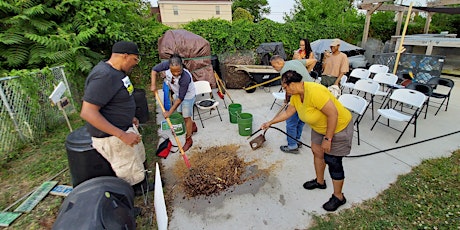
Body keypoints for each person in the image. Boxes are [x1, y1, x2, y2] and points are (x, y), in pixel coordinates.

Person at [260, 70, 353, 212]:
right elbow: (288, 113)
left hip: (338, 127)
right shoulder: (296, 96)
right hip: (319, 127)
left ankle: (339, 196)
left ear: (293, 84)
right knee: (317, 152)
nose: (285, 90)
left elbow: (333, 114)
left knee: (333, 161)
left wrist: (328, 138)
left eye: (285, 87)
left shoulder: (315, 91)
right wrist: (270, 122)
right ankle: (320, 182)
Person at [80, 41, 152, 195]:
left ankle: (141, 188)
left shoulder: (117, 72)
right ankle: (126, 205)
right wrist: (122, 135)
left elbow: (116, 99)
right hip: (114, 136)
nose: (136, 63)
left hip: (125, 127)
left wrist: (129, 116)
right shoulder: (104, 76)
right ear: (125, 56)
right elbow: (88, 112)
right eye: (135, 59)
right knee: (126, 173)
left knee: (136, 164)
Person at [151, 54, 197, 151]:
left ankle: (189, 140)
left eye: (178, 71)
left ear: (181, 66)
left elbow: (180, 98)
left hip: (187, 96)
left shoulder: (185, 77)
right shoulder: (166, 65)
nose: (175, 74)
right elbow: (154, 70)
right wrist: (153, 84)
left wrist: (169, 112)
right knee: (181, 113)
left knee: (186, 117)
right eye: (173, 71)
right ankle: (192, 125)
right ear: (169, 66)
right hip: (177, 93)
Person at [270, 55, 314, 153]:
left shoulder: (284, 72)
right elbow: (313, 61)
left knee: (291, 122)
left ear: (278, 63)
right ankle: (297, 140)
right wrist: (307, 73)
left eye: (274, 66)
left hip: (300, 94)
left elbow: (288, 89)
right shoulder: (295, 62)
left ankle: (292, 146)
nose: (274, 69)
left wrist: (287, 100)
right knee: (301, 119)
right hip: (310, 92)